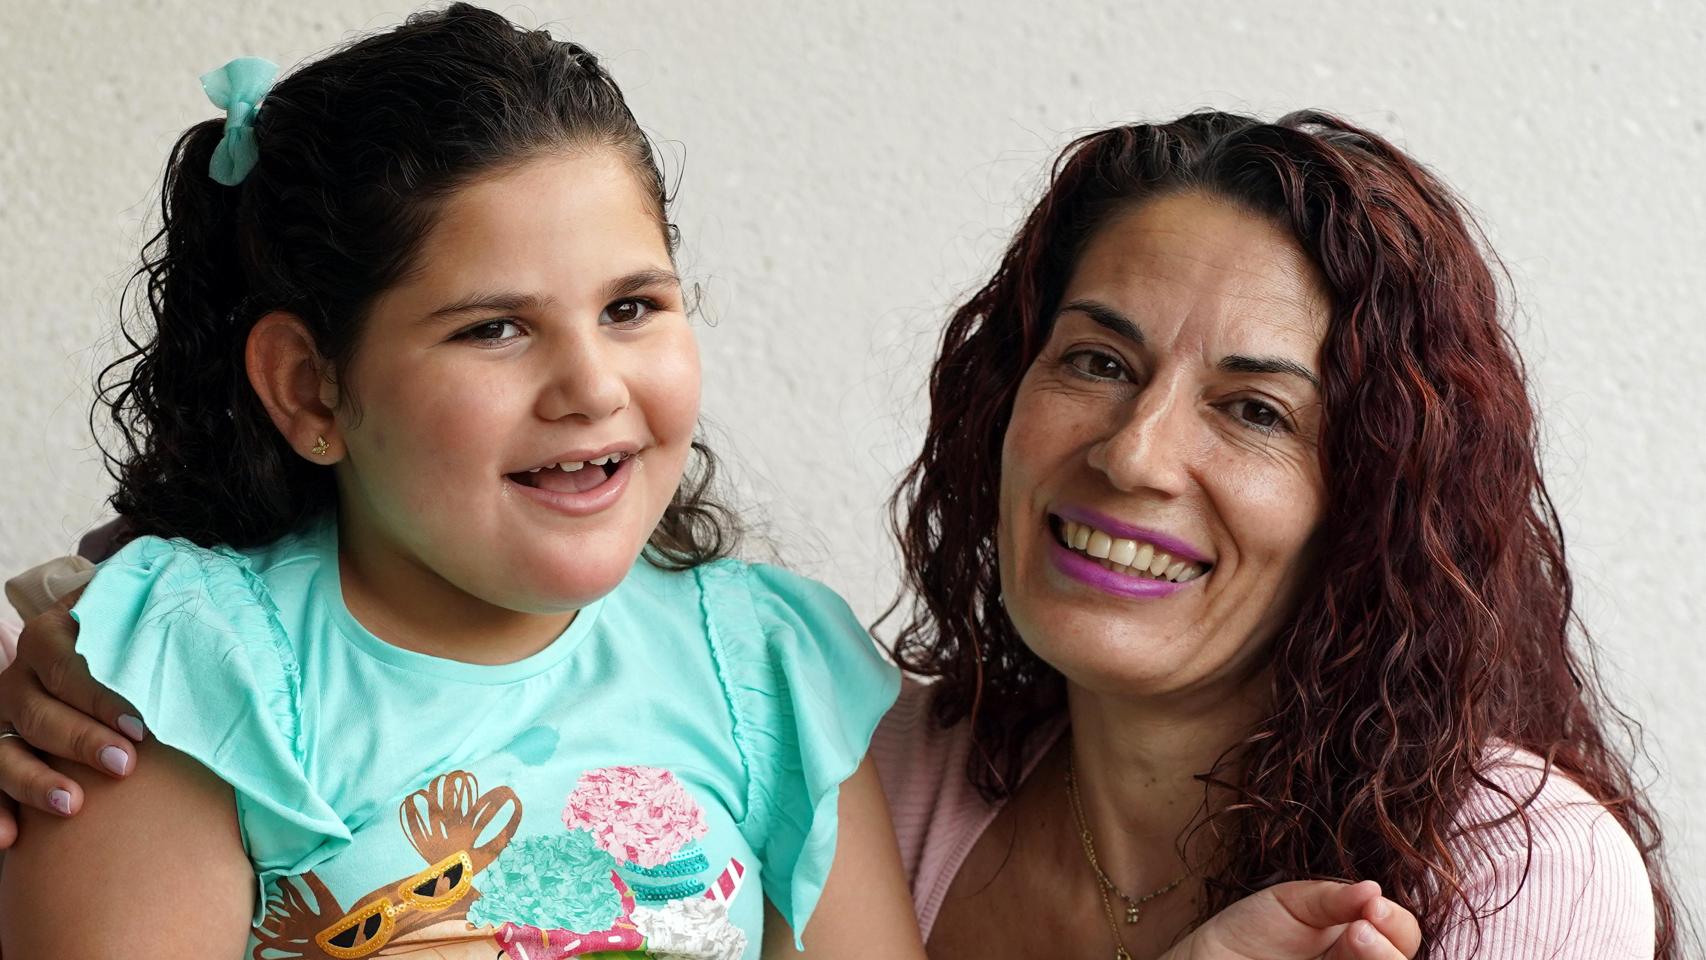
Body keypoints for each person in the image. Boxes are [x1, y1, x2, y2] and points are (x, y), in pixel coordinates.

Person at [0, 7, 1420, 960]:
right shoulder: (184, 670)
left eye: (632, 307)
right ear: (313, 390)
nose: (591, 385)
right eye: (493, 328)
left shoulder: (763, 668)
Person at [871, 111, 1686, 958]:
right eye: (1098, 362)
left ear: (1372, 507)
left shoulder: (1526, 870)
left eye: (1256, 412)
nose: (1133, 455)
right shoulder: (856, 770)